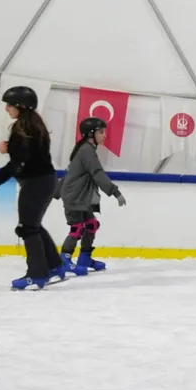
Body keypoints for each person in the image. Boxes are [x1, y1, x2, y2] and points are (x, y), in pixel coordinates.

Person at [0, 86, 65, 290]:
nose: (6, 109)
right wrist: (10, 147)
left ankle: (36, 275)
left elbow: (17, 164)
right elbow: (30, 153)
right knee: (33, 224)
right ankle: (55, 266)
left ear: (20, 106)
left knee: (27, 228)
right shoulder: (34, 126)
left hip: (36, 183)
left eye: (9, 105)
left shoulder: (21, 129)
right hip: (46, 180)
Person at [55, 117, 126, 275]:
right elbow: (97, 174)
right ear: (90, 134)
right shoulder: (86, 151)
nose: (104, 135)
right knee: (77, 228)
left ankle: (85, 258)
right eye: (101, 132)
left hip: (81, 197)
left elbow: (70, 172)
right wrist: (115, 192)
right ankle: (64, 260)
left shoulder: (86, 150)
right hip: (74, 197)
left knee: (92, 224)